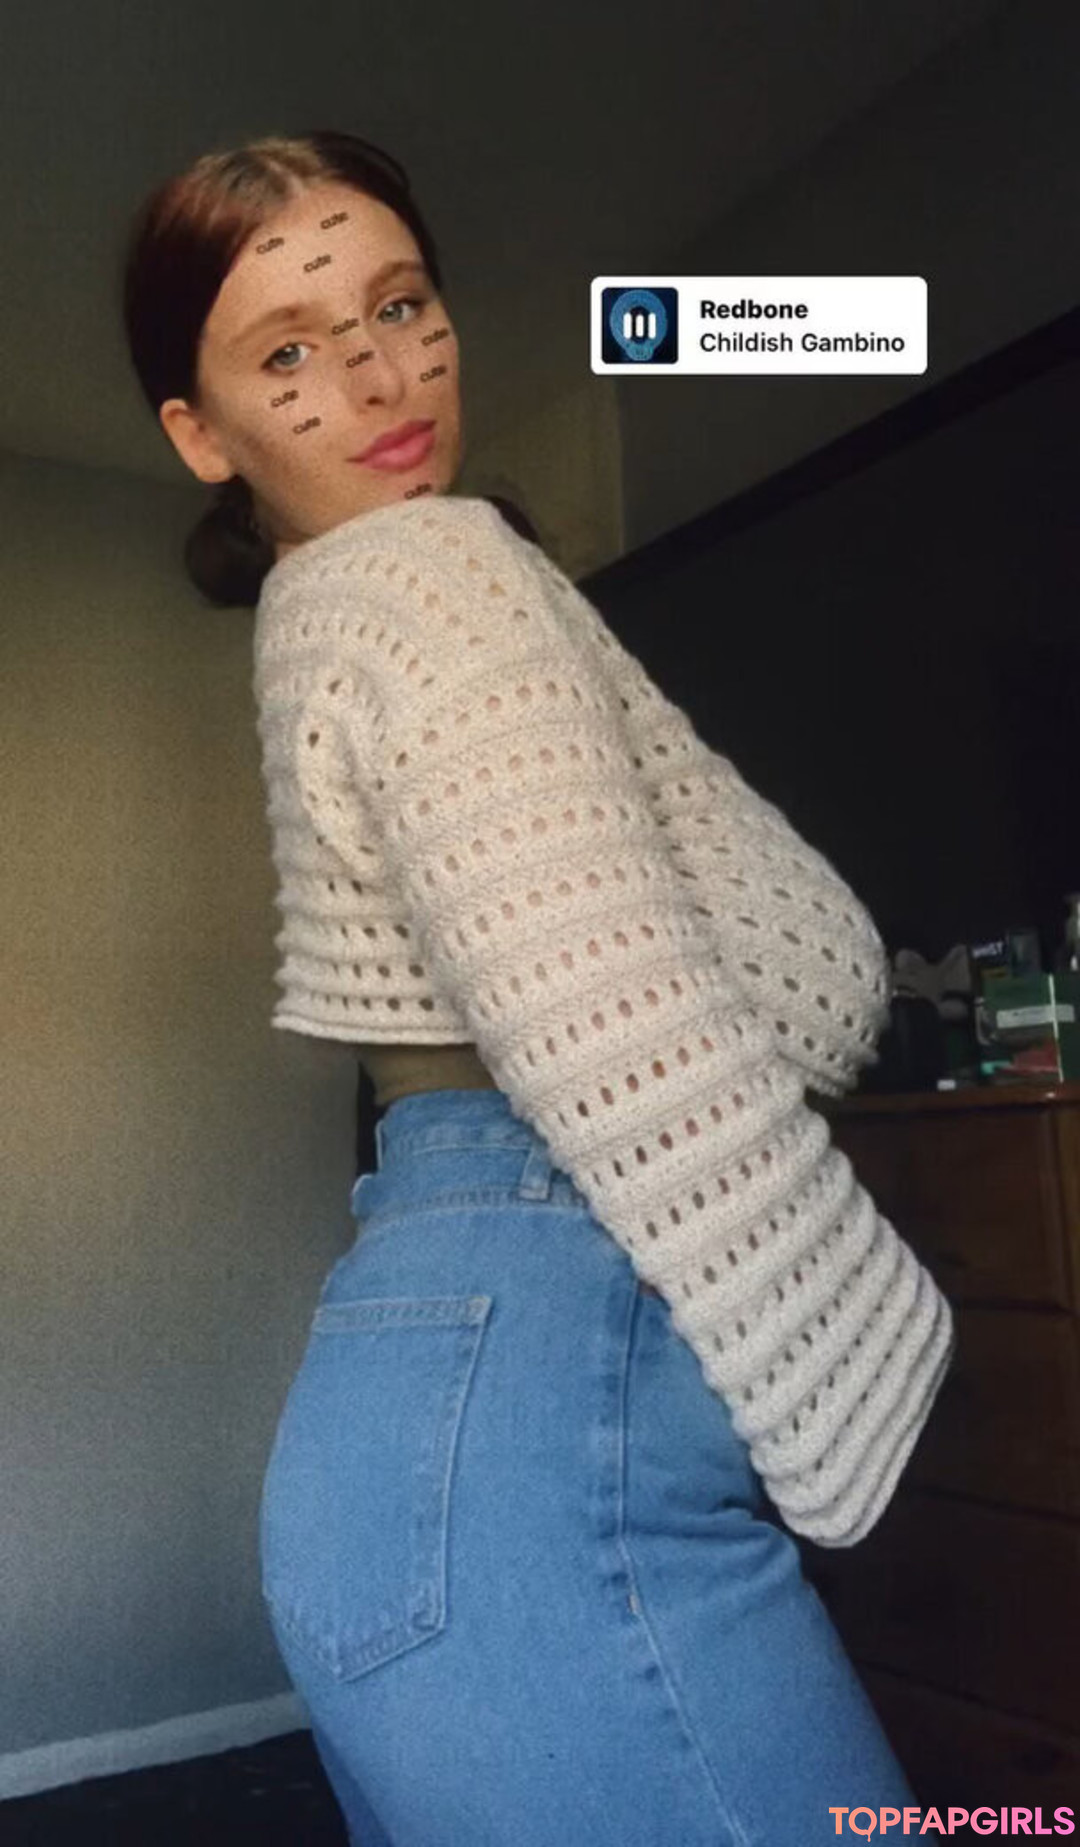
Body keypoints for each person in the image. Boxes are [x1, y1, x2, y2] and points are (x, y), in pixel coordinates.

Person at [122, 129, 953, 1846]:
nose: (376, 375)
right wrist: (856, 1360)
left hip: (411, 1417)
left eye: (398, 306)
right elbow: (649, 1030)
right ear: (200, 434)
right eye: (291, 350)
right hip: (542, 1423)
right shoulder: (442, 573)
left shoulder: (320, 609)